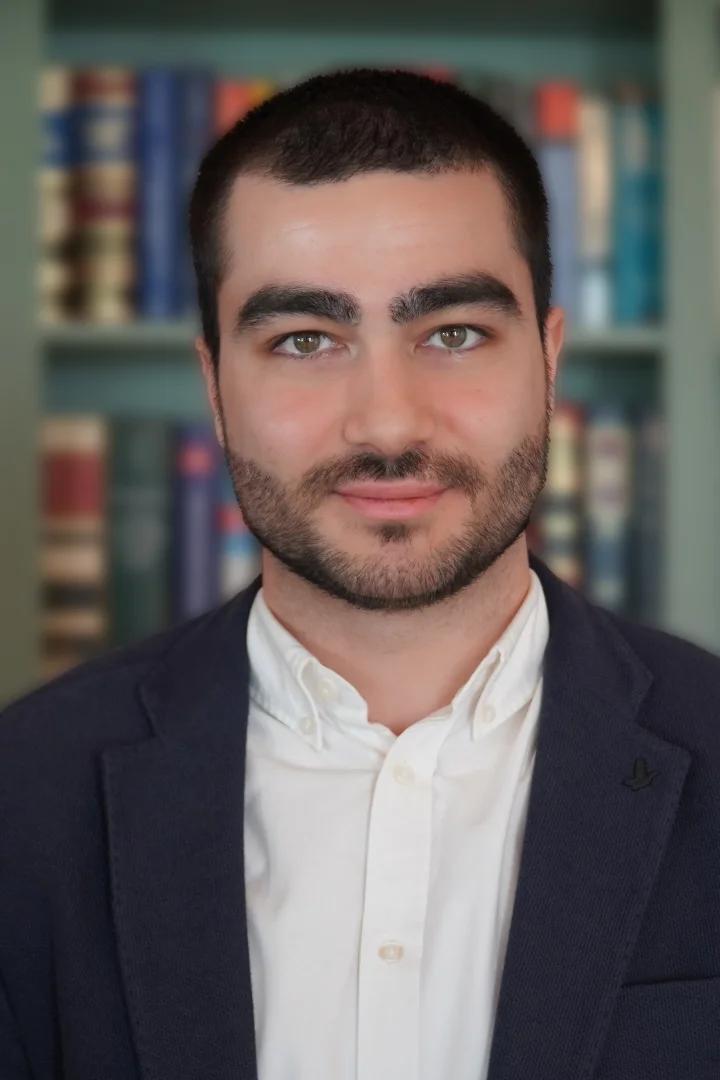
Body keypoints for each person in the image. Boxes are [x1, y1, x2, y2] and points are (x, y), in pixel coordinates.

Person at [1, 67, 719, 1080]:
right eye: (305, 339)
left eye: (455, 333)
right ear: (214, 389)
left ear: (549, 362)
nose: (387, 424)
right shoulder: (19, 797)